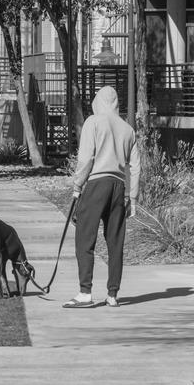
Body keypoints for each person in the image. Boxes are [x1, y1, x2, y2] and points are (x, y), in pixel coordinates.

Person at [63, 85, 141, 308]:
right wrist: (133, 198)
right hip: (118, 186)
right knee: (115, 241)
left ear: (98, 101)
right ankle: (113, 294)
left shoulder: (93, 122)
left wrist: (77, 186)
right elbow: (136, 167)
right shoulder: (128, 130)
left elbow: (86, 158)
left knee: (85, 238)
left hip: (97, 184)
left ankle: (85, 293)